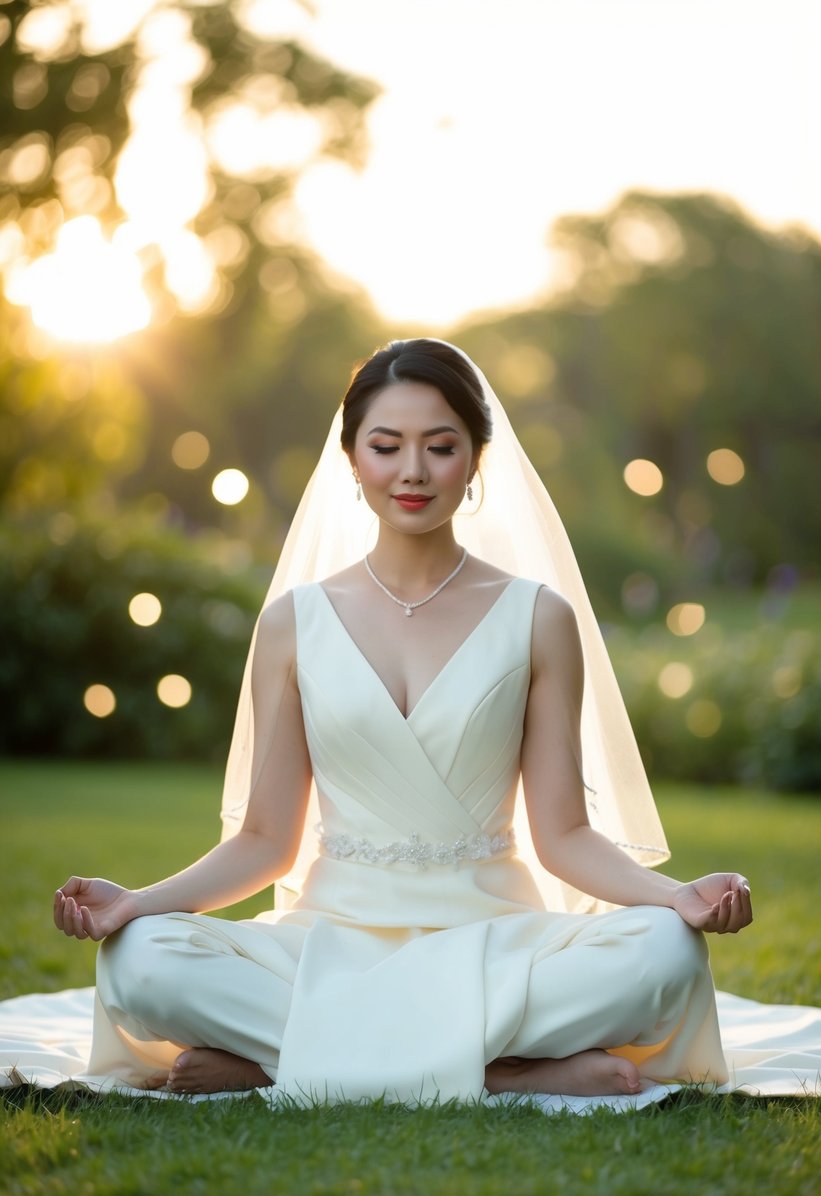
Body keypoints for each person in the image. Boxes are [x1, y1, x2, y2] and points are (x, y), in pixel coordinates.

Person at [52, 338, 752, 1102]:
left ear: (476, 459)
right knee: (141, 958)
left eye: (440, 447)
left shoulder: (536, 617)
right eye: (385, 446)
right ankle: (501, 1073)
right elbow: (262, 842)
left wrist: (674, 895)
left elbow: (565, 837)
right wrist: (136, 904)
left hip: (493, 941)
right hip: (330, 942)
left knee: (663, 953)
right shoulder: (294, 622)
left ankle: (286, 1061)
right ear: (350, 458)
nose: (412, 471)